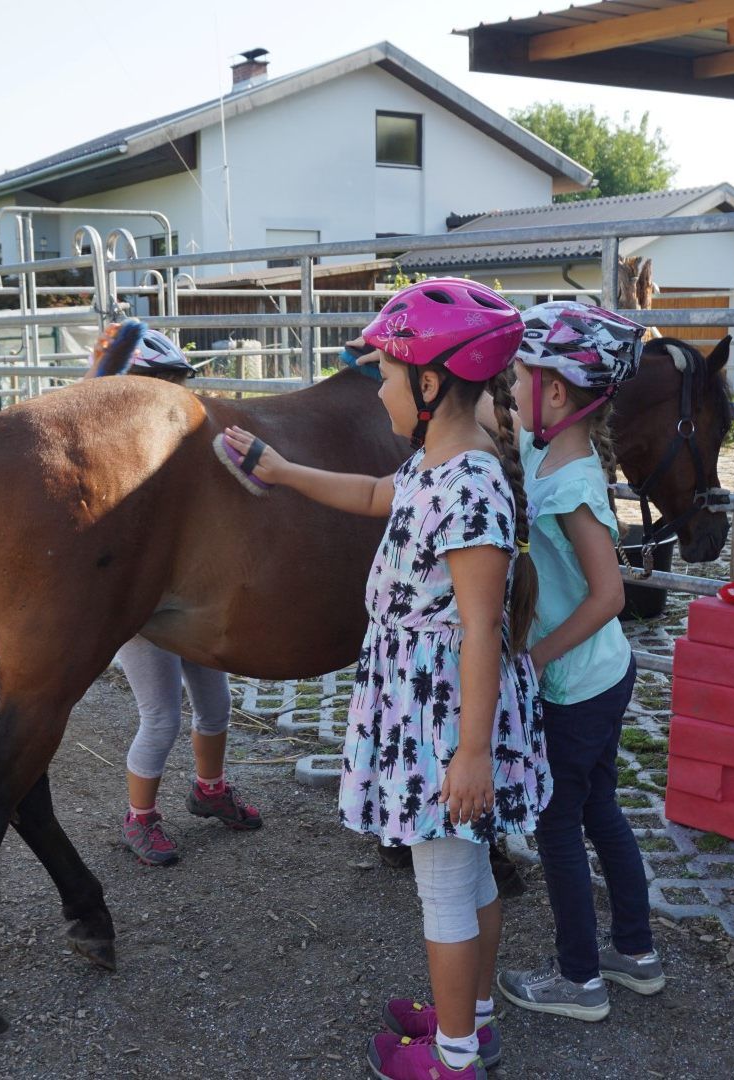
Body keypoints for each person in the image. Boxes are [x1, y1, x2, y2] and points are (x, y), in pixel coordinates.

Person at [223, 279, 549, 1080]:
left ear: (431, 386)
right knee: (467, 871)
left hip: (445, 720)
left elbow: (481, 627)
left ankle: (454, 1059)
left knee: (443, 883)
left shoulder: (470, 490)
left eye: (389, 376)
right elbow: (374, 494)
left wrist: (471, 754)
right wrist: (284, 470)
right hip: (431, 705)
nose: (381, 390)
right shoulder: (433, 465)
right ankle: (470, 1017)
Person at [495, 301, 664, 1022]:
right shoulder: (550, 447)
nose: (510, 391)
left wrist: (534, 659)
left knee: (558, 823)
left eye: (518, 379)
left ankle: (579, 980)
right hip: (600, 673)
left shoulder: (569, 487)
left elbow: (609, 593)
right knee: (600, 807)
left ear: (556, 392)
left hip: (576, 682)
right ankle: (636, 953)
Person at [95, 325, 263, 866]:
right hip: (140, 611)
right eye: (160, 387)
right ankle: (138, 819)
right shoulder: (108, 455)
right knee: (161, 716)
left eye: (176, 387)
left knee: (217, 705)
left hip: (187, 598)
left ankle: (209, 789)